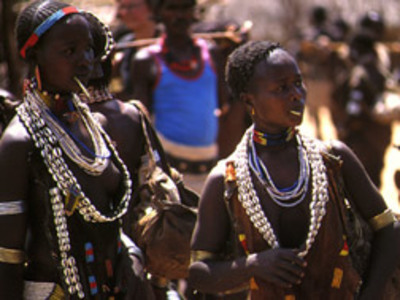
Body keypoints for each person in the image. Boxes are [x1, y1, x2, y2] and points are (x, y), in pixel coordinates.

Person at [188, 40, 400, 299]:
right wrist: (253, 266)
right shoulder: (226, 179)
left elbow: (389, 228)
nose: (296, 94)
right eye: (281, 88)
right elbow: (199, 273)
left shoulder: (333, 159)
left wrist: (371, 294)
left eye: (298, 82)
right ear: (248, 100)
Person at [0, 0, 155, 298]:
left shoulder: (93, 126)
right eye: (69, 51)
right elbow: (7, 258)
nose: (85, 61)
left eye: (88, 49)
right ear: (35, 56)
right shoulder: (19, 142)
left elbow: (106, 219)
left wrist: (132, 255)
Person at [130, 0, 228, 194]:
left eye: (185, 8)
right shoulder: (146, 60)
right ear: (158, 13)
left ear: (195, 12)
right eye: (172, 8)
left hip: (210, 172)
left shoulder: (213, 54)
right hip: (169, 177)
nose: (180, 15)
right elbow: (141, 122)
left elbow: (224, 105)